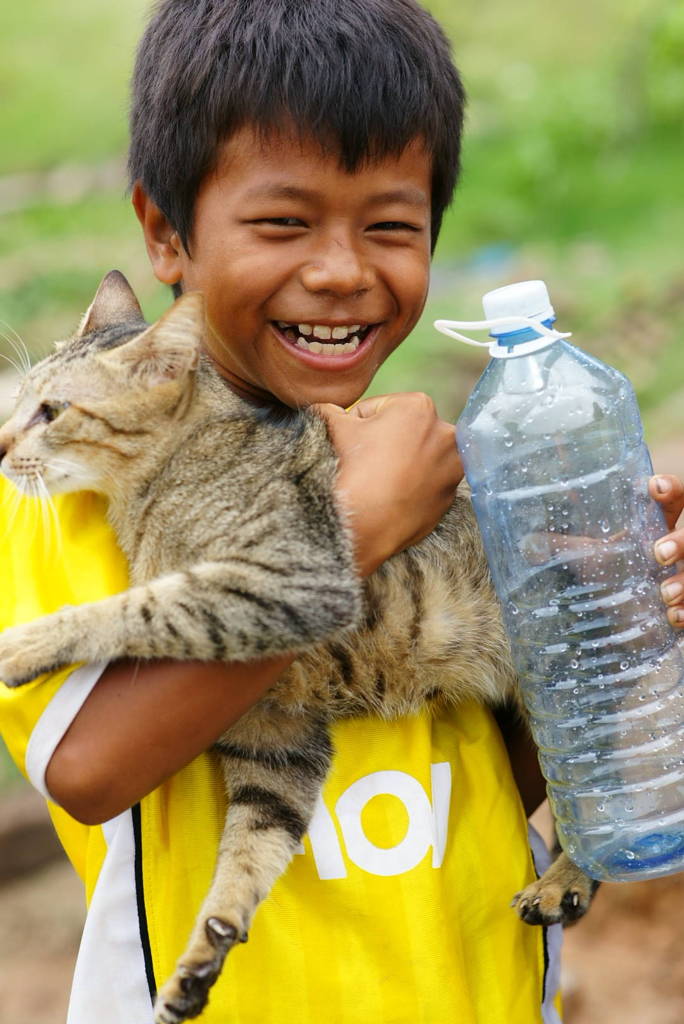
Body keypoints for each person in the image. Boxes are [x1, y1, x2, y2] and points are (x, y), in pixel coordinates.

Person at [1, 1, 681, 1022]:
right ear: (165, 232)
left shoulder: (426, 472)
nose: (341, 271)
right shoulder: (87, 486)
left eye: (392, 227)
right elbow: (87, 767)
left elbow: (502, 770)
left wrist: (610, 616)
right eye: (283, 221)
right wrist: (359, 524)